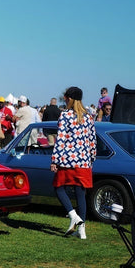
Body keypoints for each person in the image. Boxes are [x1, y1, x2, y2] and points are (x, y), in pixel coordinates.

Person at [51, 86, 96, 240]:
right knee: (80, 195)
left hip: (67, 161)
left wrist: (55, 160)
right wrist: (91, 159)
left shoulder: (65, 116)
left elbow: (61, 139)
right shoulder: (89, 117)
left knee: (58, 188)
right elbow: (92, 141)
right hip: (84, 162)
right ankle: (82, 230)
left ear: (69, 98)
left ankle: (73, 216)